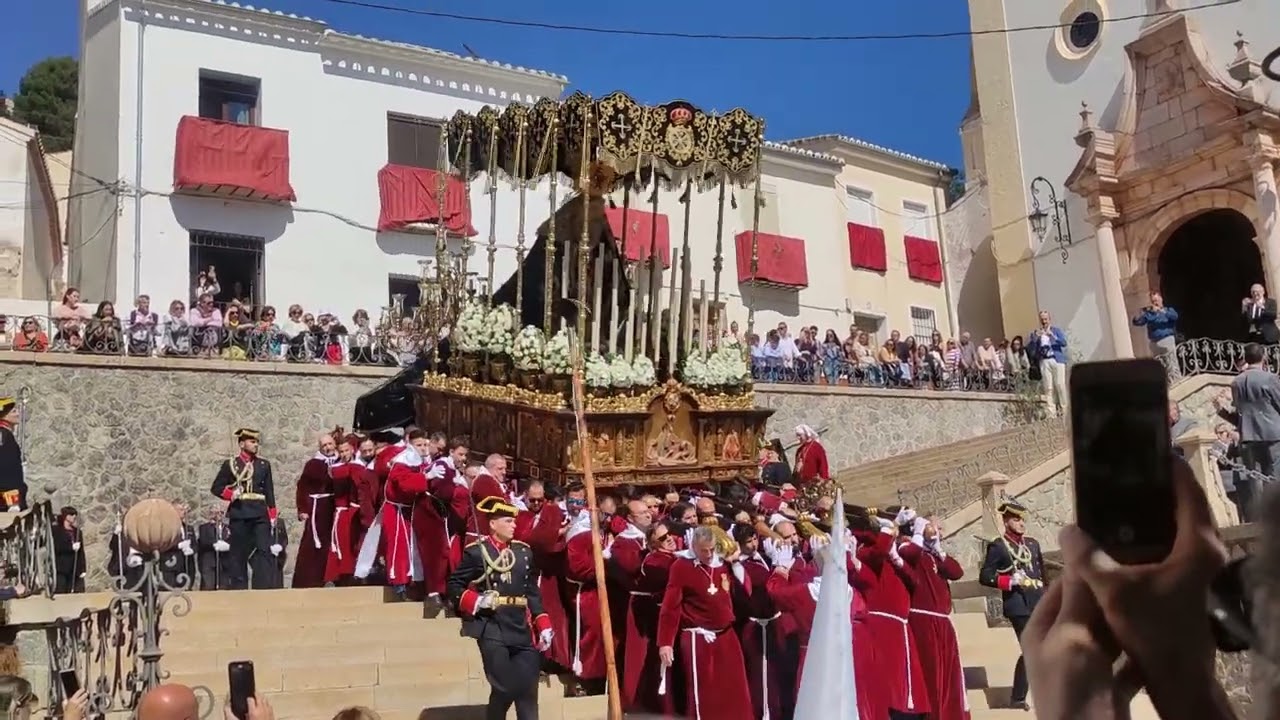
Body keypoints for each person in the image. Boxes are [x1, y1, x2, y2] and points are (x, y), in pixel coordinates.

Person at [447, 496, 553, 720]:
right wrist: (476, 601)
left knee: (528, 690)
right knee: (505, 685)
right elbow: (453, 586)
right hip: (492, 625)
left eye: (514, 521)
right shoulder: (478, 552)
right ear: (493, 524)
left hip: (521, 626)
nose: (514, 525)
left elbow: (531, 591)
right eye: (508, 521)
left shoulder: (523, 552)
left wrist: (542, 622)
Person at [656, 524, 753, 720]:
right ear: (694, 547)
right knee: (705, 691)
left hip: (726, 634)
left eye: (711, 549)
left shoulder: (723, 563)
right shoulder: (681, 567)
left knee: (734, 688)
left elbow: (746, 591)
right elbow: (670, 607)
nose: (708, 555)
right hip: (698, 637)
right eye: (703, 551)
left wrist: (735, 564)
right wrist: (665, 642)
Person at [977, 500, 1045, 711]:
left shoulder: (1032, 544)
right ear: (1006, 521)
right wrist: (1009, 581)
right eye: (1016, 519)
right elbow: (985, 576)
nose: (1021, 523)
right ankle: (1017, 698)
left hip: (1038, 602)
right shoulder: (999, 546)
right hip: (1018, 606)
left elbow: (1042, 573)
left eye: (1022, 519)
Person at [210, 428, 278, 590]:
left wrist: (272, 514)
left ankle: (263, 587)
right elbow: (216, 487)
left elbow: (269, 491)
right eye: (252, 442)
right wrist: (231, 494)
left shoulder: (263, 464)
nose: (256, 445)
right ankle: (239, 589)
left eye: (256, 442)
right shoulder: (231, 464)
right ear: (242, 444)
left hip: (260, 513)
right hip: (240, 512)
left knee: (264, 550)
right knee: (238, 553)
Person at [1217, 341, 1280, 495]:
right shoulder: (1269, 378)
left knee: (1255, 478)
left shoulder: (1236, 382)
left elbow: (1238, 409)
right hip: (1272, 433)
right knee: (1275, 475)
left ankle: (1261, 514)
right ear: (1263, 357)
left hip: (1248, 434)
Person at [1029, 310, 1069, 417]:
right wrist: (1035, 338)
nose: (1044, 321)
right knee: (1048, 387)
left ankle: (1065, 411)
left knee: (1060, 385)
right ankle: (1051, 413)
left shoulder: (1056, 330)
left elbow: (1064, 343)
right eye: (1042, 319)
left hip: (1057, 360)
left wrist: (1052, 336)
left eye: (1045, 319)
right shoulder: (1037, 333)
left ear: (1049, 319)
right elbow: (1032, 349)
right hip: (1044, 361)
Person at [1131, 291, 1179, 357]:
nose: (1155, 303)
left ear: (1161, 299)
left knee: (1171, 363)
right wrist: (1137, 315)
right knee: (1159, 364)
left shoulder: (1168, 310)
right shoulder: (1149, 314)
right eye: (1153, 301)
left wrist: (1161, 311)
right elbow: (1139, 322)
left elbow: (1175, 316)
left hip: (1166, 340)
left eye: (1156, 300)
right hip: (1154, 343)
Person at [52, 506, 87, 594]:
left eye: (75, 514)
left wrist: (83, 568)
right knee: (61, 591)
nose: (74, 516)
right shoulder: (56, 531)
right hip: (61, 568)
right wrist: (70, 547)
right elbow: (56, 547)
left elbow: (81, 552)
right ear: (66, 516)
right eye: (71, 514)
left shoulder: (77, 532)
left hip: (74, 569)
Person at [196, 508, 233, 591]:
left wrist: (228, 546)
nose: (219, 514)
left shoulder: (228, 528)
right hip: (209, 563)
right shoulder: (204, 527)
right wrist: (214, 544)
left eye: (221, 512)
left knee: (224, 587)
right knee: (208, 587)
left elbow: (233, 540)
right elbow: (203, 541)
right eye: (216, 512)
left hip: (224, 563)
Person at [0, 396, 26, 512]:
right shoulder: (4, 435)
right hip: (8, 499)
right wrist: (13, 501)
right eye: (13, 411)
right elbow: (6, 469)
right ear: (4, 415)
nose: (18, 414)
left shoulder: (5, 434)